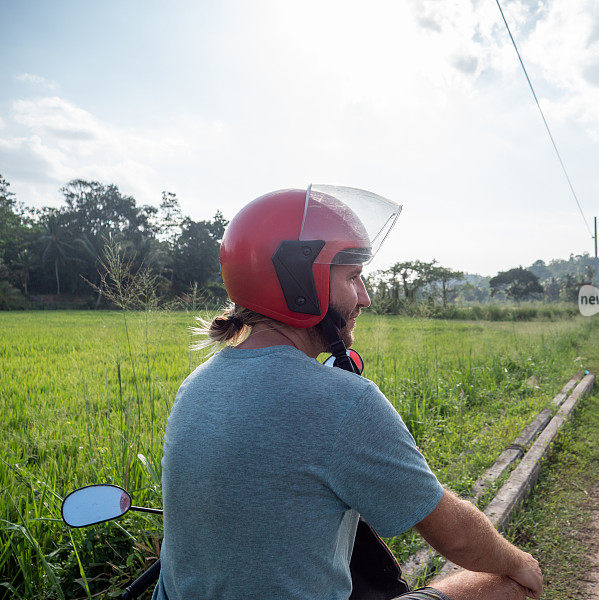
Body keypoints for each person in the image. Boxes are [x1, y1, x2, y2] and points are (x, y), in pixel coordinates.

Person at [153, 185, 543, 600]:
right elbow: (457, 537)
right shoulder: (342, 401)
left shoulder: (196, 386)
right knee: (506, 586)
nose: (365, 297)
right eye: (353, 277)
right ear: (300, 283)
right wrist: (521, 563)